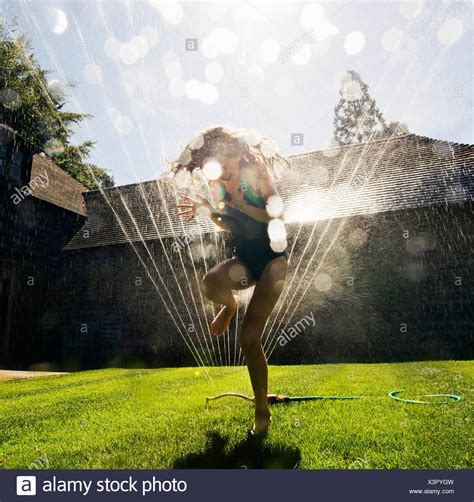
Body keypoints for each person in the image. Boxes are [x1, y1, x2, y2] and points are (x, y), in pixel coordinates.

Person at [172, 125, 291, 435]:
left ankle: (262, 412)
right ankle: (231, 304)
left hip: (273, 262)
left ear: (236, 154)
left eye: (223, 165)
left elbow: (277, 217)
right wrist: (208, 210)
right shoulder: (219, 184)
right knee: (210, 282)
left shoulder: (256, 174)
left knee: (249, 337)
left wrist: (241, 205)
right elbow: (230, 225)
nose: (220, 173)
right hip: (246, 261)